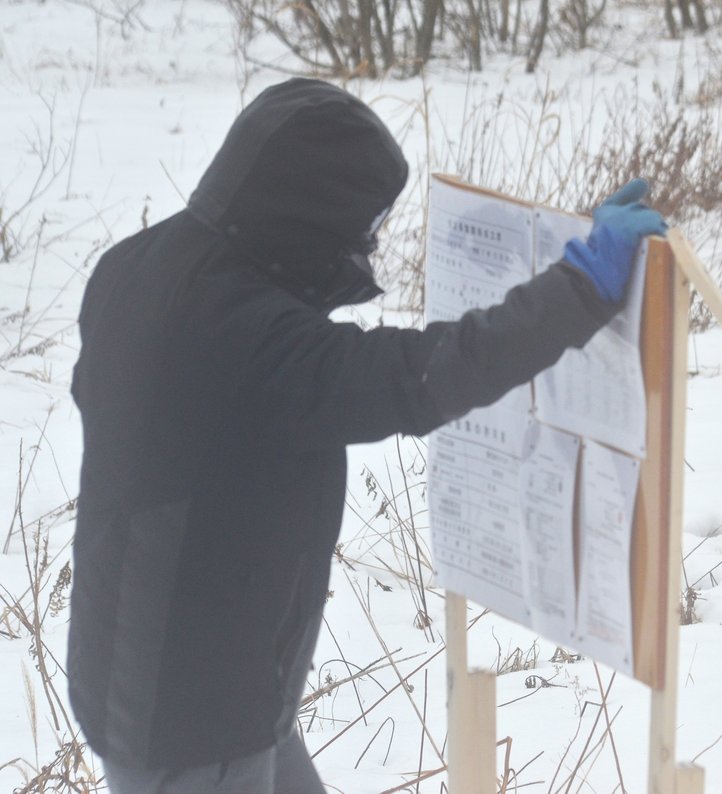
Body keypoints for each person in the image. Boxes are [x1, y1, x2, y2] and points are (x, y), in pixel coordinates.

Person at [68, 78, 666, 793]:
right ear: (304, 210)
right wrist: (583, 286)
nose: (368, 244)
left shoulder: (137, 267)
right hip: (190, 721)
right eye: (359, 227)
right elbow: (422, 376)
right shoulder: (248, 335)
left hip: (188, 672)